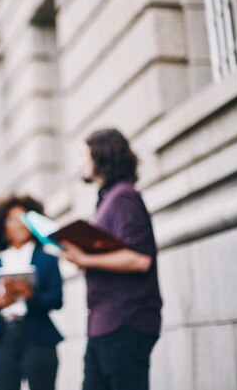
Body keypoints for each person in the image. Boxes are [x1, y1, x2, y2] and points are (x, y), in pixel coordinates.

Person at [59, 128, 162, 390]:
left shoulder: (123, 197)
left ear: (100, 156)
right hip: (104, 325)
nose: (80, 162)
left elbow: (141, 259)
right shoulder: (108, 199)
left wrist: (85, 259)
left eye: (84, 155)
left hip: (125, 322)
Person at [0, 195, 63, 390]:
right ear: (2, 229)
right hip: (4, 338)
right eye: (12, 219)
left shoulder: (47, 259)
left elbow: (57, 299)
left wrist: (29, 294)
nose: (19, 224)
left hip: (38, 336)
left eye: (24, 217)